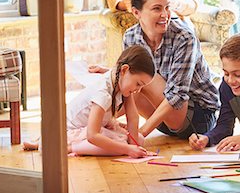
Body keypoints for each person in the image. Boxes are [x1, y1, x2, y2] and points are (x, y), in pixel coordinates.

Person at [92, 0, 219, 139]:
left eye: (167, 7)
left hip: (198, 119)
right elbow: (126, 85)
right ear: (136, 13)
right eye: (157, 9)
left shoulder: (184, 37)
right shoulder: (131, 36)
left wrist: (141, 133)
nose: (165, 15)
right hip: (163, 119)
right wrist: (111, 74)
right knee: (125, 82)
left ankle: (105, 126)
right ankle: (94, 125)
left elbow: (177, 95)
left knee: (139, 76)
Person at [23, 45, 156, 157]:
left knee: (139, 139)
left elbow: (132, 118)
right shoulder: (102, 92)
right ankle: (67, 147)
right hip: (73, 131)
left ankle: (43, 142)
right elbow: (92, 135)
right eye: (138, 84)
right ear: (124, 70)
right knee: (120, 145)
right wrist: (128, 150)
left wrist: (134, 146)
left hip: (95, 127)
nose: (138, 90)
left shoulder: (121, 82)